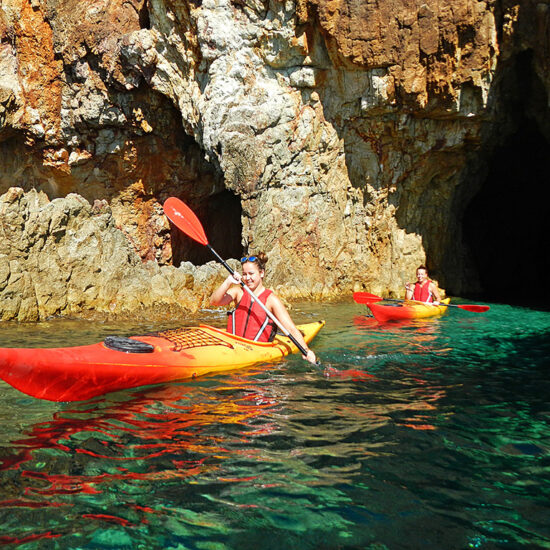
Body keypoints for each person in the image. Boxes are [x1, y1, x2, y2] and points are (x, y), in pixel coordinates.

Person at [210, 253, 317, 364]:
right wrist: (228, 282)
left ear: (262, 273)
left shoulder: (271, 300)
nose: (247, 278)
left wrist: (306, 350)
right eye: (244, 274)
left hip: (257, 353)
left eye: (251, 274)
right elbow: (214, 302)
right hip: (232, 346)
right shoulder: (238, 292)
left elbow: (290, 329)